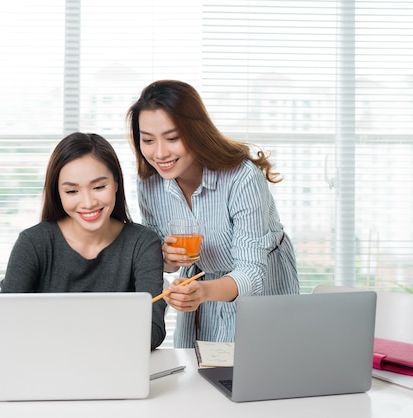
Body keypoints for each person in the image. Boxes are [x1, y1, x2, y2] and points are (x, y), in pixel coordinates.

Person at [127, 80, 299, 348]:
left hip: (261, 287)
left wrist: (204, 292)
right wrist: (166, 257)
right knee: (199, 373)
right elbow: (163, 261)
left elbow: (251, 271)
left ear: (196, 132)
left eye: (172, 138)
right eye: (147, 140)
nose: (159, 153)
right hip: (201, 283)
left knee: (258, 372)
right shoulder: (149, 182)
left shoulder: (242, 178)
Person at [0, 132, 167, 350]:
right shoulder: (32, 243)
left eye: (99, 187)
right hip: (45, 367)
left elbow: (153, 329)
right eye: (72, 191)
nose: (88, 202)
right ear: (58, 193)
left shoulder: (143, 243)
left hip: (115, 368)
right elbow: (5, 322)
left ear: (116, 183)